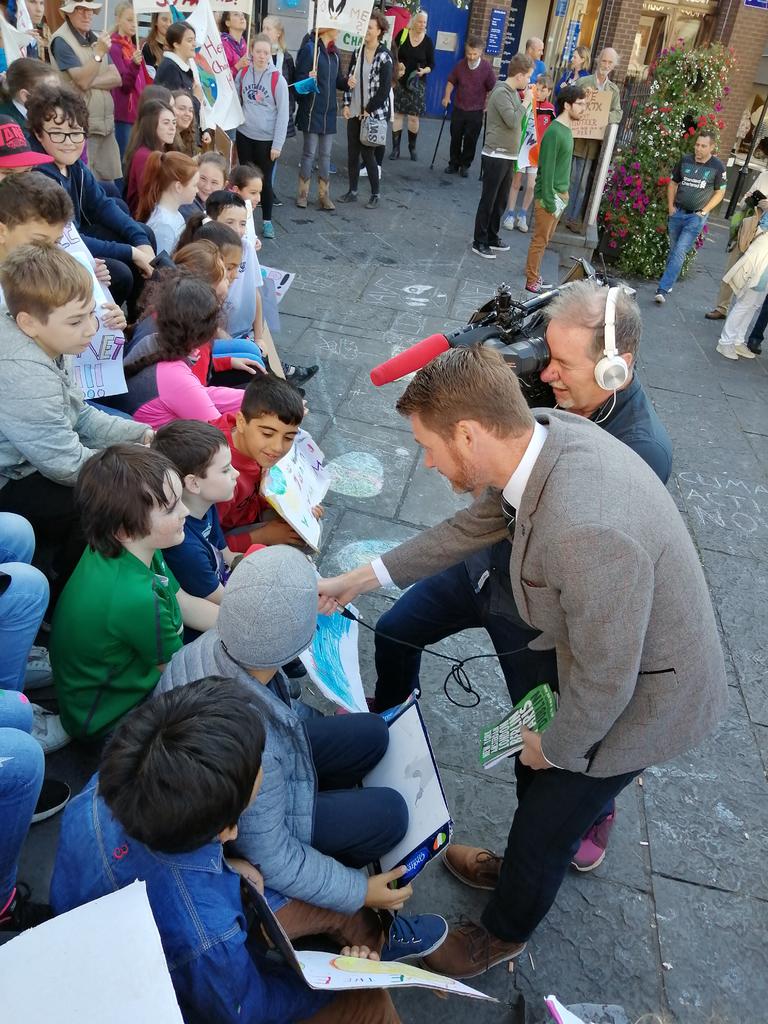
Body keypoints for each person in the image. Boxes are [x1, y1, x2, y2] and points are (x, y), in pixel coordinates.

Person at [317, 343, 727, 979]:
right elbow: (473, 527)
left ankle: (500, 937)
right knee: (534, 787)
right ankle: (518, 871)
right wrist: (363, 578)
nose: (425, 462)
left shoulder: (586, 529)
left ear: (469, 433)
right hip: (605, 661)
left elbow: (608, 678)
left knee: (547, 820)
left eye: (428, 446)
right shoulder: (542, 435)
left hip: (646, 698)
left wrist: (557, 747)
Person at [370, 281, 672, 872]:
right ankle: (384, 730)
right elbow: (490, 498)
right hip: (488, 560)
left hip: (542, 609)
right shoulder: (557, 391)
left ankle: (576, 820)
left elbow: (604, 607)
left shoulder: (641, 451)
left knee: (533, 744)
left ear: (616, 367)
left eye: (561, 362)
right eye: (544, 354)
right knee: (393, 629)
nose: (547, 374)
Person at [51, 677, 404, 1024]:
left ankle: (373, 945)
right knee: (371, 1003)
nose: (264, 765)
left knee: (337, 908)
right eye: (256, 779)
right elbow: (247, 1011)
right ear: (227, 830)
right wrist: (341, 982)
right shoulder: (209, 937)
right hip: (171, 991)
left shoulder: (106, 788)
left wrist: (227, 865)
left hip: (111, 935)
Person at [158, 549, 448, 964]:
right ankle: (366, 917)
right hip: (257, 817)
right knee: (392, 815)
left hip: (267, 759)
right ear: (296, 643)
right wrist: (359, 890)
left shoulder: (215, 644)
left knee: (372, 731)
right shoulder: (253, 749)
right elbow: (270, 855)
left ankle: (337, 807)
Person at [0, 244, 148, 607]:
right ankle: (64, 602)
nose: (91, 329)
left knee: (127, 438)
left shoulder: (47, 337)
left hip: (33, 454)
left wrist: (142, 434)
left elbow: (78, 414)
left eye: (90, 315)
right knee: (103, 502)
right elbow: (64, 462)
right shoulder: (24, 370)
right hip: (11, 476)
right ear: (28, 321)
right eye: (76, 321)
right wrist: (131, 467)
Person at [50, 444, 220, 742]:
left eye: (180, 499)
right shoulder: (135, 597)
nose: (185, 511)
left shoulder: (132, 549)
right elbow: (175, 670)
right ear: (125, 530)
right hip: (107, 718)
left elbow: (184, 602)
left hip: (95, 691)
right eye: (170, 507)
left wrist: (245, 622)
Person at [28, 82, 156, 311]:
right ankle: (104, 324)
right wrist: (132, 252)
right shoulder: (40, 176)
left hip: (78, 237)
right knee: (120, 273)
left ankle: (140, 314)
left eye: (76, 133)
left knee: (144, 233)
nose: (68, 142)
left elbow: (101, 205)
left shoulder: (74, 166)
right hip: (56, 250)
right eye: (57, 134)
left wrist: (139, 241)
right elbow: (68, 239)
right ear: (39, 134)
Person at [115, 271, 244, 428]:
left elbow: (198, 394)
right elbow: (218, 433)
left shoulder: (154, 340)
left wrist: (251, 398)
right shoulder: (175, 376)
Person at [215, 375, 308, 553]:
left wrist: (300, 506)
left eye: (289, 437)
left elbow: (260, 487)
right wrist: (264, 536)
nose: (278, 447)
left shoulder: (250, 444)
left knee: (303, 530)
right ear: (241, 422)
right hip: (227, 538)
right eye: (267, 434)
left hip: (250, 511)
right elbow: (207, 545)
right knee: (294, 544)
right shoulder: (218, 473)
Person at [152, 420, 238, 603]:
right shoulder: (185, 548)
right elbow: (225, 602)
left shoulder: (206, 505)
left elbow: (227, 555)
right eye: (225, 470)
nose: (236, 473)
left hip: (223, 582)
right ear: (194, 483)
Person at [49, 0, 123, 184]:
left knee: (108, 187)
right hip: (81, 129)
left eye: (90, 10)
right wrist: (97, 55)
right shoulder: (61, 41)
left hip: (106, 127)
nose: (87, 14)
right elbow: (82, 80)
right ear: (68, 13)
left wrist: (90, 81)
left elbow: (116, 78)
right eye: (80, 10)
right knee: (86, 187)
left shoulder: (98, 39)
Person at [524, 83, 587, 292]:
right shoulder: (555, 132)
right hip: (549, 197)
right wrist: (549, 201)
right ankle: (531, 280)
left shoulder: (567, 130)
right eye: (579, 104)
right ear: (567, 105)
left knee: (545, 240)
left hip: (560, 195)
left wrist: (564, 197)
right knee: (539, 241)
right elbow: (547, 169)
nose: (583, 108)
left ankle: (535, 275)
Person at [471, 52, 533, 261]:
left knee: (501, 199)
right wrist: (526, 103)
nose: (529, 80)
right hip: (495, 154)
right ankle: (479, 241)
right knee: (489, 199)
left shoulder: (513, 92)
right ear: (519, 75)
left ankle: (491, 235)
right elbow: (513, 120)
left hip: (509, 155)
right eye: (528, 76)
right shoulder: (501, 93)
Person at [654, 130, 726, 304]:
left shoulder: (717, 167)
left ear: (712, 147)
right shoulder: (685, 160)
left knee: (679, 251)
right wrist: (671, 206)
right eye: (697, 145)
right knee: (673, 250)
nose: (698, 149)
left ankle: (662, 289)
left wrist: (704, 211)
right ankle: (669, 282)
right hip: (677, 212)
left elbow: (720, 192)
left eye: (703, 146)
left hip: (695, 217)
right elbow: (673, 183)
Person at [235, 33, 289, 239]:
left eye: (266, 52)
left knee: (263, 182)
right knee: (246, 181)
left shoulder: (278, 80)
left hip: (266, 140)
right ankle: (246, 221)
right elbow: (234, 95)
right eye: (258, 51)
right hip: (245, 134)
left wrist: (278, 144)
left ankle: (267, 221)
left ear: (271, 54)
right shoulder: (244, 73)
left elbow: (283, 114)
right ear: (252, 51)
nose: (262, 56)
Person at [338, 12, 393, 210]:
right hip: (355, 110)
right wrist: (346, 104)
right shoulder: (357, 52)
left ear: (379, 31)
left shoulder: (384, 57)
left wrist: (368, 110)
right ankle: (352, 191)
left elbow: (385, 89)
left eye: (369, 28)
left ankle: (375, 194)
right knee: (352, 153)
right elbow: (349, 80)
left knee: (368, 154)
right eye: (365, 28)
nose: (366, 32)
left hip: (372, 114)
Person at [563, 48, 622, 232]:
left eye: (609, 63)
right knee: (567, 179)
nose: (606, 65)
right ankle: (559, 214)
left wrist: (603, 116)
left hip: (594, 145)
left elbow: (618, 113)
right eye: (603, 61)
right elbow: (570, 104)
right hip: (577, 140)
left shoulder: (613, 90)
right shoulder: (584, 81)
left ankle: (572, 218)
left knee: (581, 185)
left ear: (614, 66)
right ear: (598, 61)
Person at [705, 157, 768, 321]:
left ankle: (741, 310)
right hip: (748, 227)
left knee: (753, 276)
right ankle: (722, 306)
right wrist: (748, 199)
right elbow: (743, 203)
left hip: (764, 237)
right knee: (731, 268)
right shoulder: (763, 176)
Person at [295, 26, 346, 211]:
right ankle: (303, 194)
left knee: (325, 155)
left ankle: (324, 196)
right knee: (309, 154)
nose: (339, 29)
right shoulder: (310, 49)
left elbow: (338, 81)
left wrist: (348, 83)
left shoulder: (335, 53)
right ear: (325, 29)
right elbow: (298, 80)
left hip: (329, 111)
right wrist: (307, 78)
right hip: (312, 109)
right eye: (336, 26)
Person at [502, 74, 556, 233]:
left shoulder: (550, 109)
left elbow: (550, 130)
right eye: (537, 89)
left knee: (531, 186)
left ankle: (523, 214)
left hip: (536, 153)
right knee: (516, 182)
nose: (539, 92)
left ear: (549, 92)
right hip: (522, 148)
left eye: (543, 90)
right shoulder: (526, 101)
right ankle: (510, 213)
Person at [715, 210, 768, 360]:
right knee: (747, 302)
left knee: (754, 304)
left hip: (764, 259)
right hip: (762, 257)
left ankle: (737, 340)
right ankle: (725, 341)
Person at [442, 35, 495, 178]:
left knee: (471, 139)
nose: (471, 57)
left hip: (476, 109)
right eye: (469, 53)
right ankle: (453, 163)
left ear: (480, 52)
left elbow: (493, 88)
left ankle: (465, 165)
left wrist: (489, 104)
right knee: (455, 137)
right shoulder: (460, 65)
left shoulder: (486, 68)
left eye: (474, 54)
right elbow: (451, 82)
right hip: (459, 107)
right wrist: (447, 97)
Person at [136, 150, 199, 255]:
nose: (197, 190)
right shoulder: (164, 226)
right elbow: (163, 268)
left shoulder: (174, 214)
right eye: (194, 185)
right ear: (178, 187)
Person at [391, 9, 433, 161]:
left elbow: (432, 64)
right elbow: (393, 54)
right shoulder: (402, 34)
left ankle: (412, 147)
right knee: (397, 115)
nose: (422, 25)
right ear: (414, 21)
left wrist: (424, 71)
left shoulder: (428, 42)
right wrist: (398, 64)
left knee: (414, 118)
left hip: (417, 83)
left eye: (425, 22)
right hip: (401, 81)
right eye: (420, 21)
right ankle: (395, 149)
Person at [123, 98, 178, 216]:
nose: (172, 128)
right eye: (166, 123)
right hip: (146, 220)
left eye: (174, 122)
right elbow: (152, 198)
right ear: (151, 125)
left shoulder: (162, 150)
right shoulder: (144, 156)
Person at [109, 1, 143, 159]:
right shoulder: (114, 48)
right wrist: (135, 66)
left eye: (135, 20)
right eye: (129, 20)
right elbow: (124, 85)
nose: (134, 24)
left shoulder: (133, 48)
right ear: (118, 20)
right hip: (123, 113)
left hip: (136, 112)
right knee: (124, 159)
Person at [0, 57, 59, 134]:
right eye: (51, 92)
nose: (59, 96)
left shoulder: (42, 110)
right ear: (25, 96)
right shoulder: (8, 127)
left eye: (59, 89)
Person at [154, 21, 201, 114]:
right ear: (176, 44)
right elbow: (176, 110)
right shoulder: (170, 68)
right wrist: (197, 99)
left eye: (194, 40)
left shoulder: (181, 67)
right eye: (189, 40)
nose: (194, 44)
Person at [179, 150, 227, 218]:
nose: (207, 187)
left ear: (224, 185)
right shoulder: (187, 205)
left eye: (214, 182)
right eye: (203, 178)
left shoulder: (223, 206)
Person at [219, 10, 248, 79]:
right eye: (236, 14)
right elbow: (220, 76)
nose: (242, 18)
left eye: (243, 15)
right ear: (227, 23)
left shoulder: (243, 43)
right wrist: (238, 66)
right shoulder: (223, 44)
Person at [171, 88, 198, 156]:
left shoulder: (187, 137)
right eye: (182, 109)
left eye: (190, 110)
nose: (187, 114)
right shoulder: (165, 141)